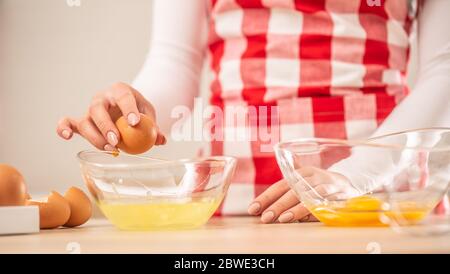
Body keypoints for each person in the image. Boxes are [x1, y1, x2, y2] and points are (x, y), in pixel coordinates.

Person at [57, 0, 450, 224]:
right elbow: (176, 59)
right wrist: (137, 109)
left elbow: (444, 68)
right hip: (239, 203)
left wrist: (355, 176)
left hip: (380, 201)